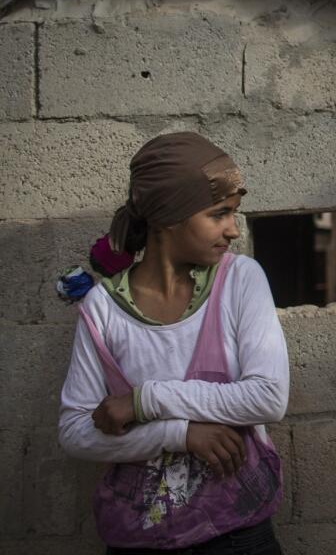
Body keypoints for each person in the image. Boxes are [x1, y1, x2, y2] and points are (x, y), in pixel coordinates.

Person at [58, 132, 289, 554]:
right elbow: (75, 432)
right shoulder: (103, 309)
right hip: (138, 540)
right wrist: (179, 433)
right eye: (219, 214)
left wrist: (145, 400)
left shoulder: (240, 279)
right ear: (168, 217)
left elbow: (268, 397)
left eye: (234, 213)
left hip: (237, 536)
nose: (233, 230)